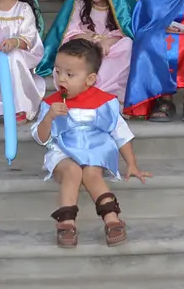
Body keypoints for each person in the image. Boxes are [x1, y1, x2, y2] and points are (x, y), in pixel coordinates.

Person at [32, 38, 151, 248]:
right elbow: (41, 138)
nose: (61, 79)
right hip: (63, 149)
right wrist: (49, 117)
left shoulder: (104, 102)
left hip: (95, 148)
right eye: (57, 71)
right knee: (72, 171)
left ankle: (111, 218)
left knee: (91, 173)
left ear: (90, 79)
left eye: (70, 74)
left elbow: (120, 133)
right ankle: (66, 222)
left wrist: (131, 164)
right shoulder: (51, 104)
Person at [40, 0, 137, 102]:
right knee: (69, 49)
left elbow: (126, 30)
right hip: (84, 47)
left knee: (128, 44)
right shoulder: (79, 3)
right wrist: (88, 39)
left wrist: (107, 42)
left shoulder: (120, 6)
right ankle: (81, 86)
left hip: (108, 49)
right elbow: (71, 29)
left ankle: (101, 89)